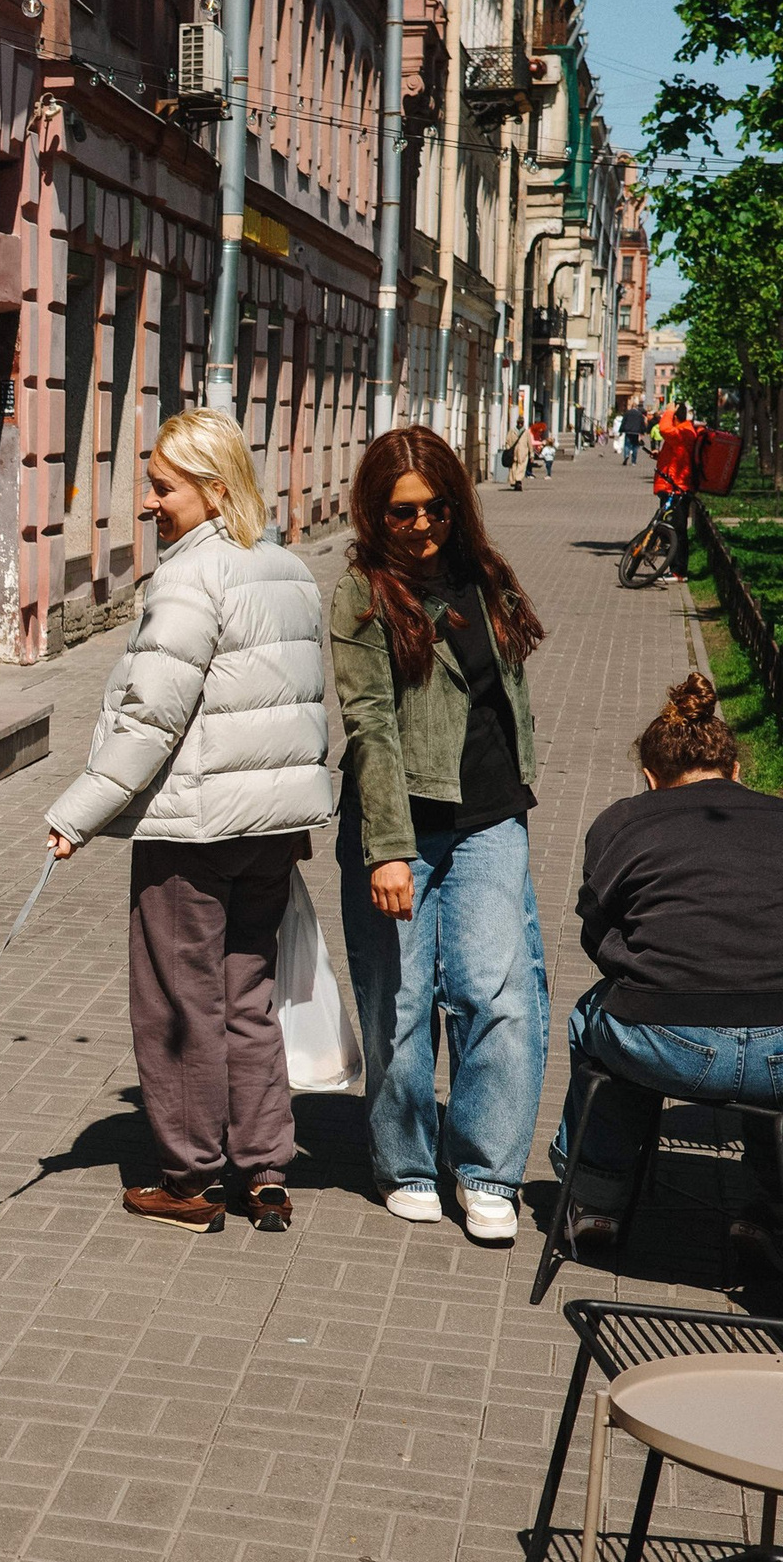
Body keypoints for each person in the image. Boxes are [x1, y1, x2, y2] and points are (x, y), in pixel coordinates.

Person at [42, 410, 333, 1234]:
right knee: (248, 996)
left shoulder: (189, 577)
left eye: (163, 485)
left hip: (193, 832)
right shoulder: (288, 567)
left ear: (212, 489)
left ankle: (191, 1179)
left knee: (177, 1007)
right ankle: (266, 1168)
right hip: (272, 831)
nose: (149, 500)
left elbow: (151, 719)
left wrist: (77, 816)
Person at [332, 425, 550, 1242]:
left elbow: (505, 693)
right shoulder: (361, 593)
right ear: (374, 514)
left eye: (435, 509)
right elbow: (371, 725)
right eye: (402, 513)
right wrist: (386, 846)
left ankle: (488, 1167)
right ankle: (408, 1161)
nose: (421, 526)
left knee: (497, 990)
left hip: (491, 816)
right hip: (403, 827)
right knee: (401, 999)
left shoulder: (481, 574)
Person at [546, 674, 783, 1264]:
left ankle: (596, 1201)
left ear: (650, 777)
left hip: (666, 1040)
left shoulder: (626, 819)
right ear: (735, 771)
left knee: (593, 1019)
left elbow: (597, 930)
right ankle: (767, 1217)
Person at [650, 400, 703, 579]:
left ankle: (678, 571)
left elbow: (664, 429)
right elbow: (677, 453)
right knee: (672, 527)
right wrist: (660, 455)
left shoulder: (684, 431)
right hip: (672, 485)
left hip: (677, 488)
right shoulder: (684, 432)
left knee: (677, 530)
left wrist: (668, 411)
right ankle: (675, 569)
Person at [507, 417, 534, 491]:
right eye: (519, 423)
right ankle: (515, 481)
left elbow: (529, 444)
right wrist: (508, 450)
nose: (520, 424)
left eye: (521, 423)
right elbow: (508, 441)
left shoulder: (526, 432)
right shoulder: (512, 431)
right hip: (513, 453)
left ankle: (518, 480)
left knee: (521, 467)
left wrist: (531, 454)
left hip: (523, 453)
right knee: (514, 467)